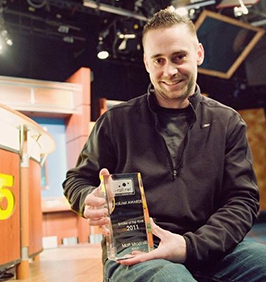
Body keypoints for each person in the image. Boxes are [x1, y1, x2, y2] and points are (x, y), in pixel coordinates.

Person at [62, 7, 266, 282]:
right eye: (158, 60)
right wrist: (87, 198)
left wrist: (189, 246)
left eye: (178, 57)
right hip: (137, 246)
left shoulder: (227, 122)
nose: (169, 71)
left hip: (213, 247)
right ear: (146, 63)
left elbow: (242, 200)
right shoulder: (115, 122)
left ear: (199, 54)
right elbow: (77, 180)